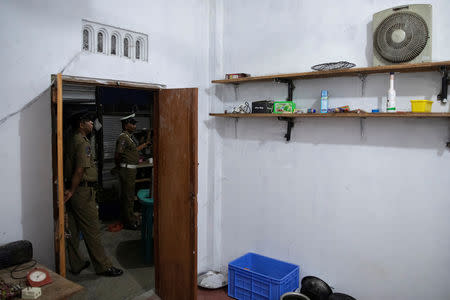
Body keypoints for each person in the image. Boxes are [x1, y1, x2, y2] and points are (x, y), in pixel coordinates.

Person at [64, 112, 123, 277]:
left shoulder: (72, 139)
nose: (92, 123)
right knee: (92, 229)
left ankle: (76, 264)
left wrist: (70, 190)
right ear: (81, 124)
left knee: (73, 229)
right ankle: (103, 266)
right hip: (81, 191)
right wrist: (73, 190)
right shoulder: (83, 143)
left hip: (74, 190)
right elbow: (80, 169)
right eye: (89, 121)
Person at [114, 113, 150, 230]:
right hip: (126, 170)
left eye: (135, 123)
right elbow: (118, 155)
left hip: (130, 170)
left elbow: (133, 151)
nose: (135, 126)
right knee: (128, 197)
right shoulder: (123, 138)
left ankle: (128, 218)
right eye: (132, 123)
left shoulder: (129, 137)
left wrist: (144, 145)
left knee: (128, 196)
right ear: (126, 125)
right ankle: (129, 222)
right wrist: (120, 166)